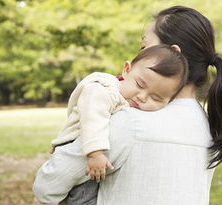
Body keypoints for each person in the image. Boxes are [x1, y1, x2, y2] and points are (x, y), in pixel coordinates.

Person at [33, 6, 222, 205]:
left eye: (144, 47)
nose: (140, 54)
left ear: (173, 52)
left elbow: (47, 186)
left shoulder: (129, 122)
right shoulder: (207, 124)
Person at [44, 44, 188, 204]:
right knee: (84, 198)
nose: (142, 97)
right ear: (126, 69)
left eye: (156, 98)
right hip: (87, 147)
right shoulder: (104, 90)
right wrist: (96, 153)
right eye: (139, 85)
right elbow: (93, 118)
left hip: (88, 149)